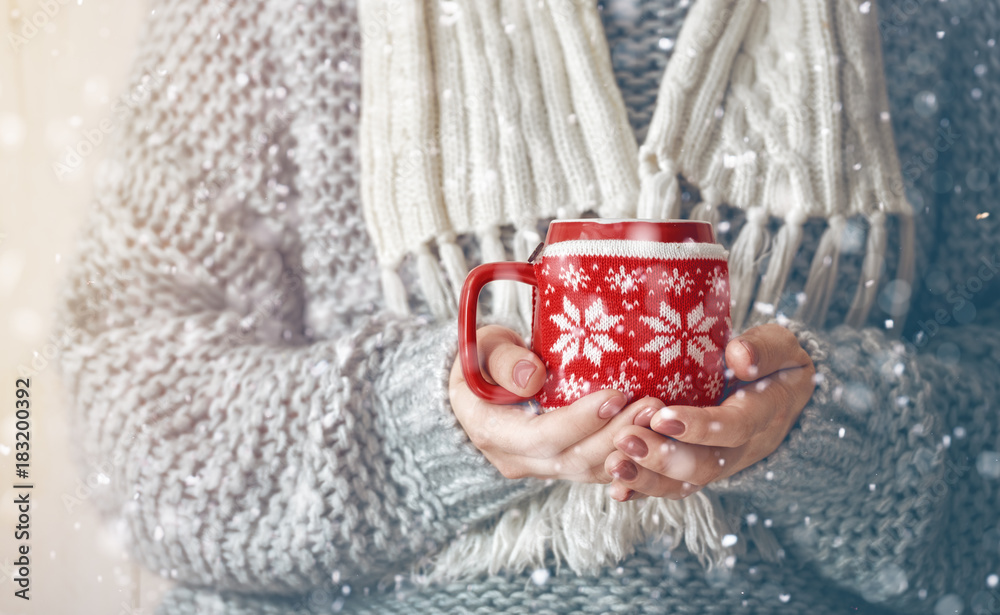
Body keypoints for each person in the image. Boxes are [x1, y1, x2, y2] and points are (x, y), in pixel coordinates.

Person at [55, 0, 999, 613]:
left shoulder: (936, 22)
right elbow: (132, 419)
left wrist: (828, 428)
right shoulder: (272, 17)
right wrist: (428, 427)